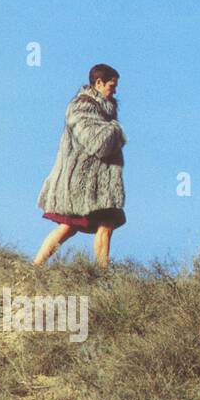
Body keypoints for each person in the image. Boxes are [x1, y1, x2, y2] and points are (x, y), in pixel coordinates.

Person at [34, 64, 128, 267]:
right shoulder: (81, 106)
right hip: (80, 180)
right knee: (69, 226)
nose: (115, 90)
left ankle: (102, 273)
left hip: (99, 183)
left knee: (105, 224)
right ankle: (35, 267)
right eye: (112, 85)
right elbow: (96, 142)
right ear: (99, 83)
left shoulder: (106, 108)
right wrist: (115, 129)